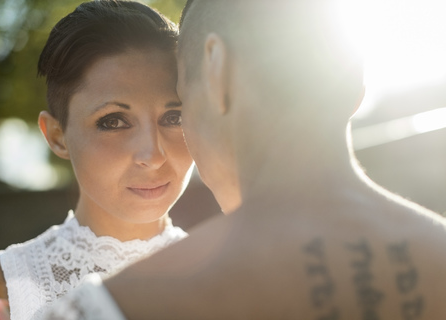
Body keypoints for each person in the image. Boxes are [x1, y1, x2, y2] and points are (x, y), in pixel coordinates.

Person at [43, 0, 446, 319]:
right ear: (354, 85)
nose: (156, 152)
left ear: (217, 69)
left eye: (180, 106)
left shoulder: (118, 305)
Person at [0, 1, 195, 319]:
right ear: (57, 136)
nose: (153, 155)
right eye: (113, 121)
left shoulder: (236, 275)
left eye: (174, 116)